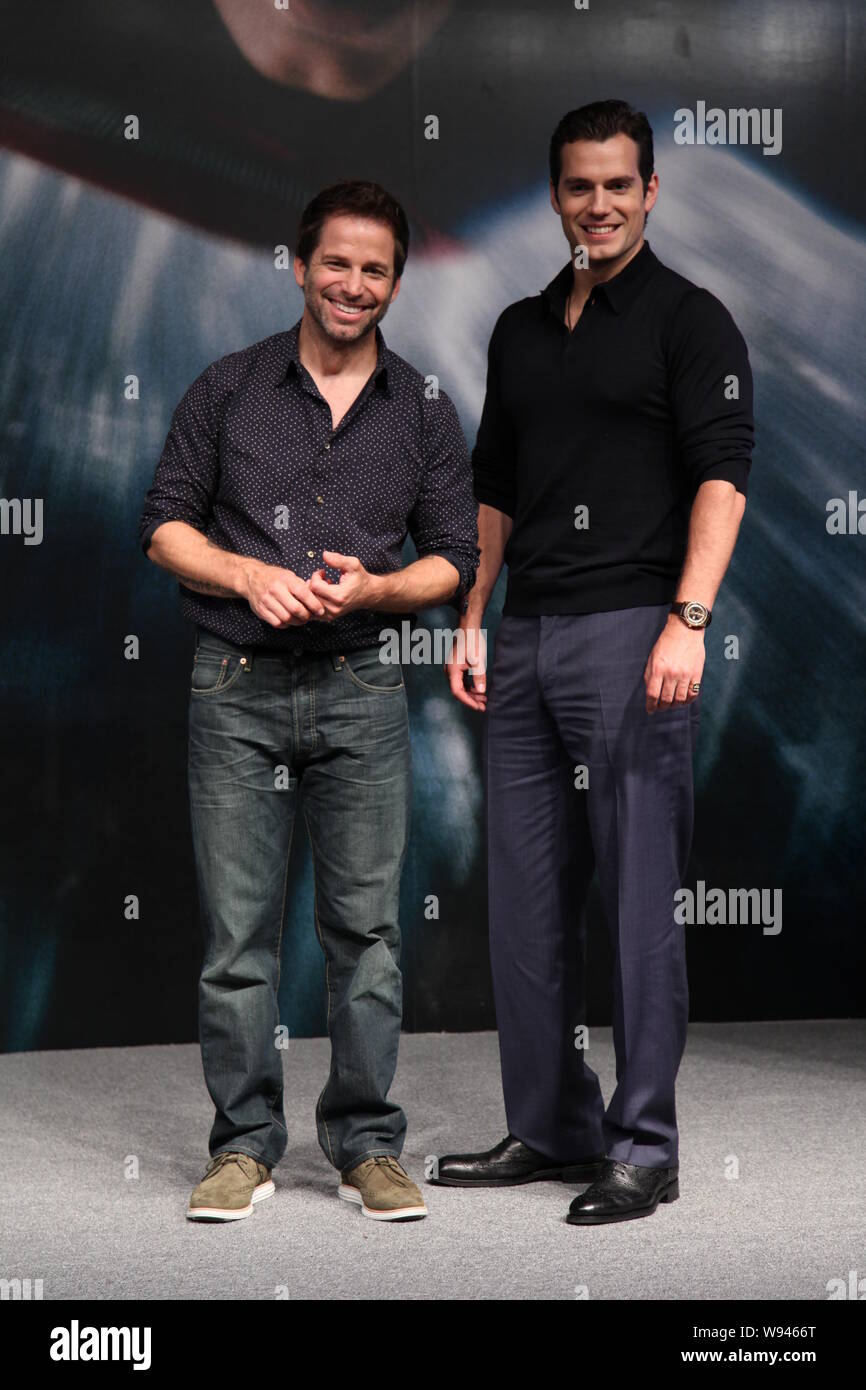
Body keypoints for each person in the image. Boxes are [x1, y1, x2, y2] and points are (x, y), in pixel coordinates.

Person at [435, 100, 754, 1224]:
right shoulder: (519, 328)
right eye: (579, 186)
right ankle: (550, 1125)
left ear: (650, 191)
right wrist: (473, 610)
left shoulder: (690, 319)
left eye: (619, 185)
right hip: (522, 635)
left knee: (634, 906)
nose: (598, 204)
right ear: (556, 193)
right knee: (522, 907)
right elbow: (491, 484)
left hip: (633, 632)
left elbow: (722, 477)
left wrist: (688, 617)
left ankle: (642, 1144)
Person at [138, 179, 480, 1223]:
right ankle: (242, 1146)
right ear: (298, 265)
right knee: (237, 939)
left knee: (364, 934)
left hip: (360, 684)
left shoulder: (421, 408)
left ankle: (366, 1145)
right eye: (335, 262)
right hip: (235, 684)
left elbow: (455, 559)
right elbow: (164, 529)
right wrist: (243, 574)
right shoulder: (228, 387)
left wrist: (379, 589)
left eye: (375, 269)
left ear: (394, 282)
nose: (353, 284)